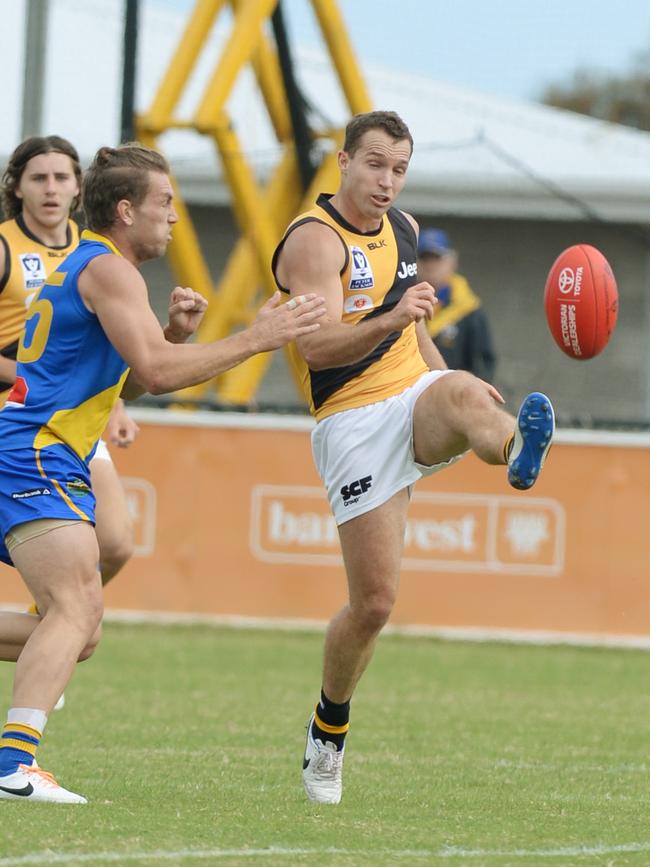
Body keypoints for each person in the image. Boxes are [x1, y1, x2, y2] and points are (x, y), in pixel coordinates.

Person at [0, 142, 325, 804]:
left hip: (31, 446)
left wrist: (175, 337)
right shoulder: (109, 270)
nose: (174, 217)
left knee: (79, 632)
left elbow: (137, 377)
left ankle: (16, 760)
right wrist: (257, 337)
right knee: (78, 604)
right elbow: (152, 373)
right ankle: (14, 765)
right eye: (165, 203)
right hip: (34, 449)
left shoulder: (96, 266)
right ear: (127, 210)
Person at [272, 110, 554, 805]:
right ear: (342, 162)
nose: (387, 181)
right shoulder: (315, 242)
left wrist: (440, 377)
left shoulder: (403, 229)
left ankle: (513, 442)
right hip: (349, 421)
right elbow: (318, 348)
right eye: (374, 164)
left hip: (410, 393)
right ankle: (326, 730)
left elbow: (413, 332)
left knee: (460, 387)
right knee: (373, 603)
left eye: (398, 168)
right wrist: (395, 320)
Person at [0, 136, 138, 590]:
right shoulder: (4, 246)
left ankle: (57, 626)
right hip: (16, 412)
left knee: (115, 544)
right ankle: (62, 623)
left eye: (62, 177)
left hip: (70, 415)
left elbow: (103, 344)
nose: (51, 188)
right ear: (16, 187)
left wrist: (115, 405)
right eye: (38, 178)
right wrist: (34, 376)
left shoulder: (92, 250)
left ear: (79, 188)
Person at [417, 228, 497, 381]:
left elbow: (483, 366)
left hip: (454, 396)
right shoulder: (404, 306)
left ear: (452, 261)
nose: (430, 265)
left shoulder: (469, 311)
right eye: (424, 258)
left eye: (436, 258)